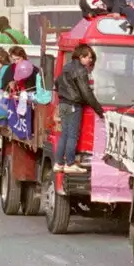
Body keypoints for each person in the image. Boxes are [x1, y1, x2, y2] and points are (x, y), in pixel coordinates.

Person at [54, 43, 106, 173]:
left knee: (64, 134)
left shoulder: (66, 67)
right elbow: (86, 92)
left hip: (63, 103)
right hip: (73, 105)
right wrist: (100, 111)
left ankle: (59, 163)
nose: (90, 60)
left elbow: (56, 83)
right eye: (89, 57)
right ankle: (70, 164)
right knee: (72, 135)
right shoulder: (80, 69)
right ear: (81, 57)